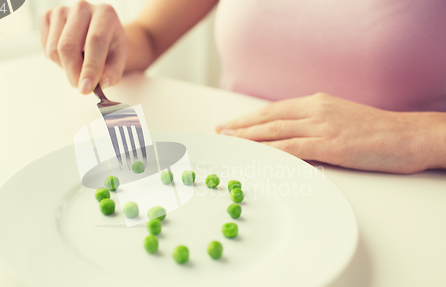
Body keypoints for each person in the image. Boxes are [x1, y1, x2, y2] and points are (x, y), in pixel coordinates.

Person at [39, 0, 446, 174]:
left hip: (407, 195)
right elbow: (146, 36)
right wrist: (106, 39)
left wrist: (415, 136)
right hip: (238, 173)